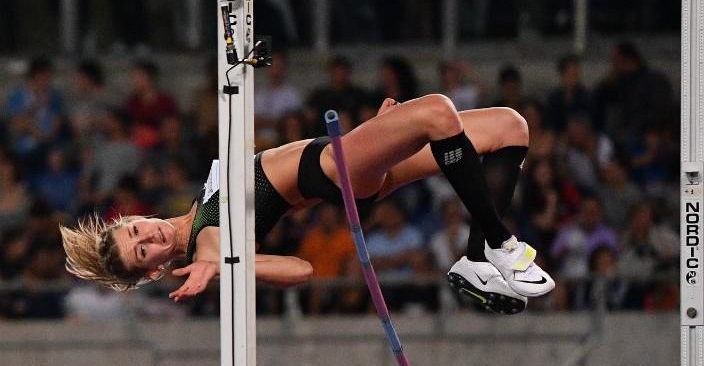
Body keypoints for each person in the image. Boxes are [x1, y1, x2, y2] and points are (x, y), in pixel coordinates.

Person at [61, 94, 554, 314]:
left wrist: (381, 138)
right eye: (143, 252)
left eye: (135, 232)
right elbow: (300, 270)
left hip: (348, 158)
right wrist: (224, 269)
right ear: (152, 272)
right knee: (437, 113)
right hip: (336, 168)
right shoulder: (207, 245)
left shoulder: (196, 210)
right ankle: (498, 244)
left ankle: (476, 262)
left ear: (133, 218)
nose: (150, 238)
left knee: (509, 128)